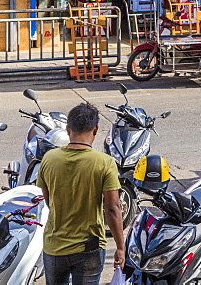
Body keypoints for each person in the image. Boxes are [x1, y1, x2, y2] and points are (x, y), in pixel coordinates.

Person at [37, 102, 124, 285]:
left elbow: (49, 200)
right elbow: (112, 208)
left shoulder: (49, 158)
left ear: (68, 130)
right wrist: (120, 247)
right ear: (95, 129)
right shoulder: (105, 162)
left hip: (54, 246)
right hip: (89, 248)